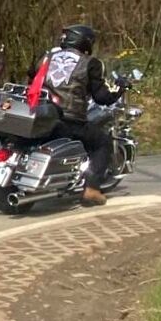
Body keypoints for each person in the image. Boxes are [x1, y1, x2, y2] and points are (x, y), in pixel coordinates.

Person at [34, 24, 125, 206]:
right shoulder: (90, 63)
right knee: (102, 142)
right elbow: (101, 97)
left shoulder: (46, 57)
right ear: (85, 42)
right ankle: (92, 189)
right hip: (69, 120)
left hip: (41, 116)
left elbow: (31, 79)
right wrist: (119, 88)